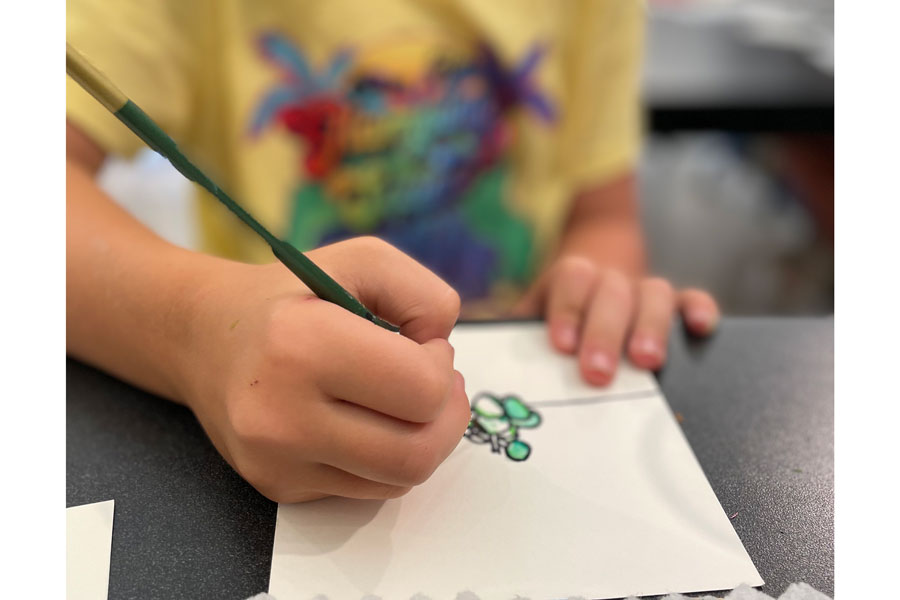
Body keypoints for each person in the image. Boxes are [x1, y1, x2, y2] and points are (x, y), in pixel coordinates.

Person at [66, 0, 719, 503]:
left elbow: (602, 215)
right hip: (271, 422)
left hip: (529, 400)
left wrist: (595, 284)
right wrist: (197, 330)